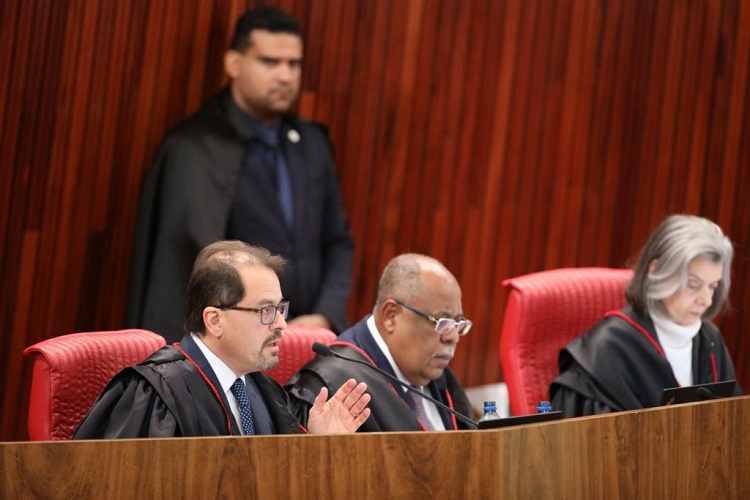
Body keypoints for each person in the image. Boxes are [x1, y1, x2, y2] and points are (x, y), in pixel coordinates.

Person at [125, 6, 354, 343]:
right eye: (270, 62)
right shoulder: (194, 148)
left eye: (294, 64)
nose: (286, 76)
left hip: (311, 340)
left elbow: (337, 241)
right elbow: (191, 263)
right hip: (234, 343)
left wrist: (323, 316)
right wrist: (272, 319)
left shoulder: (311, 143)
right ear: (234, 64)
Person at [75, 241, 370, 438]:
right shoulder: (158, 394)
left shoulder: (263, 391)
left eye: (280, 308)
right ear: (215, 320)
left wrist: (317, 446)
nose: (282, 324)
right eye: (266, 311)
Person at [550, 214, 742, 417]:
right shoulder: (606, 352)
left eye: (712, 286)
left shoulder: (709, 340)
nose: (706, 300)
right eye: (693, 285)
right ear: (656, 271)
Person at [286, 254, 474, 432]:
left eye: (458, 323)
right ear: (391, 315)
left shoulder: (436, 374)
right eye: (442, 322)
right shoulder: (329, 390)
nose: (453, 337)